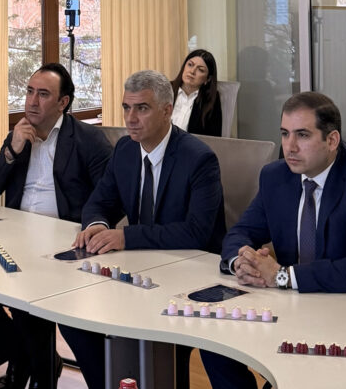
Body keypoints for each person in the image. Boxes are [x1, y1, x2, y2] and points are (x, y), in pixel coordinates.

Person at [200, 92, 346, 389]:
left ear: (332, 140)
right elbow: (240, 232)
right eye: (285, 134)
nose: (290, 146)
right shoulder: (276, 176)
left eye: (302, 135)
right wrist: (241, 262)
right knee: (214, 345)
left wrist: (282, 276)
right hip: (296, 305)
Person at [0, 63, 113, 389]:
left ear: (63, 103)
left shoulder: (89, 140)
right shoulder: (18, 136)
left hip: (64, 250)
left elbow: (109, 198)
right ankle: (25, 356)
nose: (32, 101)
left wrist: (92, 228)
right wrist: (11, 151)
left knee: (29, 297)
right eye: (29, 91)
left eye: (43, 94)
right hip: (15, 241)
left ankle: (38, 368)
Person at [62, 69, 227, 388]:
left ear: (167, 111)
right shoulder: (125, 150)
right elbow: (99, 202)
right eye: (126, 107)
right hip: (141, 270)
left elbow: (197, 233)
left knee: (161, 339)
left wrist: (125, 236)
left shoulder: (198, 158)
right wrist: (96, 225)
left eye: (142, 108)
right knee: (74, 321)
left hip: (190, 276)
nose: (131, 118)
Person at [170, 49, 222, 136]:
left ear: (208, 79)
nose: (192, 71)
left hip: (191, 144)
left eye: (200, 70)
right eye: (190, 65)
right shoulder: (165, 89)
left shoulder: (211, 99)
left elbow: (214, 137)